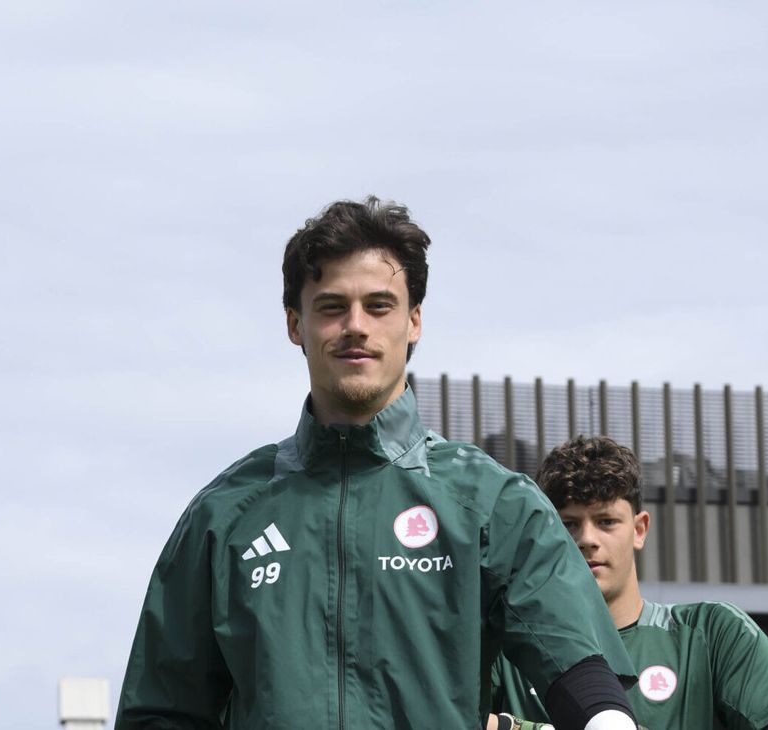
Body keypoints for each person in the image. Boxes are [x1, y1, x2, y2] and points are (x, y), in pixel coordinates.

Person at [114, 197, 640, 730]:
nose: (356, 326)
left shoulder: (492, 503)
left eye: (380, 306)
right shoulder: (224, 514)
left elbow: (576, 666)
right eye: (332, 306)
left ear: (414, 322)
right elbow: (161, 710)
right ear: (295, 323)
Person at [491, 436, 768, 730]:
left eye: (606, 521)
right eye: (569, 524)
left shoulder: (714, 634)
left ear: (639, 529)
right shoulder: (505, 650)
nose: (587, 539)